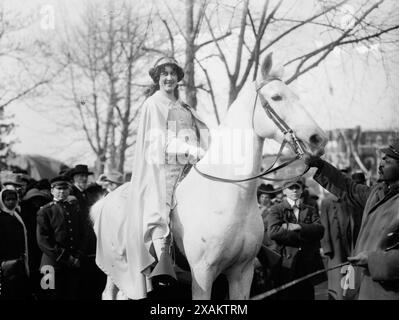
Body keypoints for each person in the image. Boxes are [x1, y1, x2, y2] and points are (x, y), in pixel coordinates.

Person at [110, 56, 209, 299]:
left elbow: (200, 133)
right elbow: (157, 143)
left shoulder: (183, 106)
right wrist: (191, 150)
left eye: (172, 73)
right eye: (164, 74)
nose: (169, 78)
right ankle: (163, 263)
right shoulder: (153, 104)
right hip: (163, 169)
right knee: (158, 208)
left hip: (189, 168)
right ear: (157, 78)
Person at [304, 138, 399, 300]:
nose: (381, 163)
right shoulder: (377, 192)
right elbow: (348, 188)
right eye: (382, 158)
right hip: (362, 285)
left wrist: (373, 260)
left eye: (387, 160)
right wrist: (320, 165)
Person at [267, 180, 325, 300]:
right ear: (284, 191)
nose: (294, 190)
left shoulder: (310, 209)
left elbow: (320, 230)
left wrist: (299, 227)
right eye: (290, 188)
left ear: (302, 190)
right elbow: (273, 232)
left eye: (297, 188)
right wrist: (304, 235)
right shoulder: (276, 209)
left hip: (306, 261)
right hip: (285, 262)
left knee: (307, 294)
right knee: (286, 295)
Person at [36, 176, 88, 300]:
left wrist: (78, 255)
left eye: (65, 189)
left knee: (71, 295)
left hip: (73, 264)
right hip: (51, 264)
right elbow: (43, 240)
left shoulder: (75, 209)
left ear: (69, 191)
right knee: (50, 297)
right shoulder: (45, 211)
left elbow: (84, 234)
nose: (62, 192)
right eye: (58, 189)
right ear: (52, 191)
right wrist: (65, 257)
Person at [320, 170, 364, 300]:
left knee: (351, 275)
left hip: (352, 242)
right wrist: (327, 247)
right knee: (337, 276)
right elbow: (324, 225)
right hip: (336, 245)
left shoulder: (351, 199)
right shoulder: (327, 202)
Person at [0, 189, 30, 300]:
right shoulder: (2, 217)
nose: (11, 202)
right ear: (2, 201)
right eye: (8, 200)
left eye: (14, 199)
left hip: (20, 260)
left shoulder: (16, 215)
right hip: (7, 262)